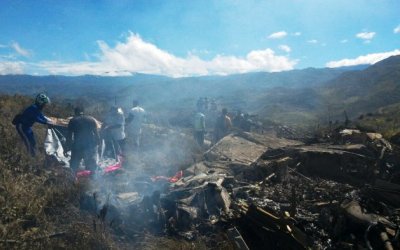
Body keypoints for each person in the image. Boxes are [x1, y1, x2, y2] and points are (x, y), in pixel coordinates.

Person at [64, 106, 100, 174]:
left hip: (78, 146)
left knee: (73, 167)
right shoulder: (91, 119)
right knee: (92, 166)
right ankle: (94, 181)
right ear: (83, 112)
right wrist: (98, 144)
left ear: (75, 112)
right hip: (90, 146)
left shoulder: (73, 121)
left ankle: (73, 181)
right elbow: (96, 134)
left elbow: (69, 136)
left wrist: (66, 148)